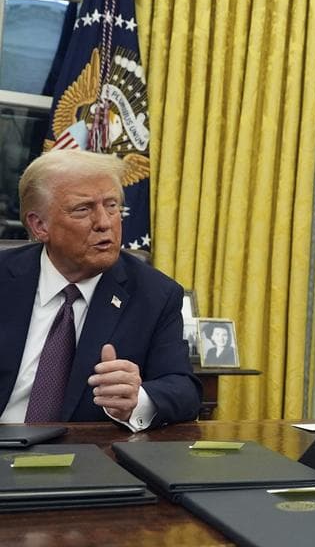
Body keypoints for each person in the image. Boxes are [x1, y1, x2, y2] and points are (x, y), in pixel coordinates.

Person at [0, 150, 201, 429]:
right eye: (83, 209)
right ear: (39, 225)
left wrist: (136, 398)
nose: (105, 223)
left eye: (112, 206)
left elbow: (184, 389)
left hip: (88, 457)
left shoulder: (155, 295)